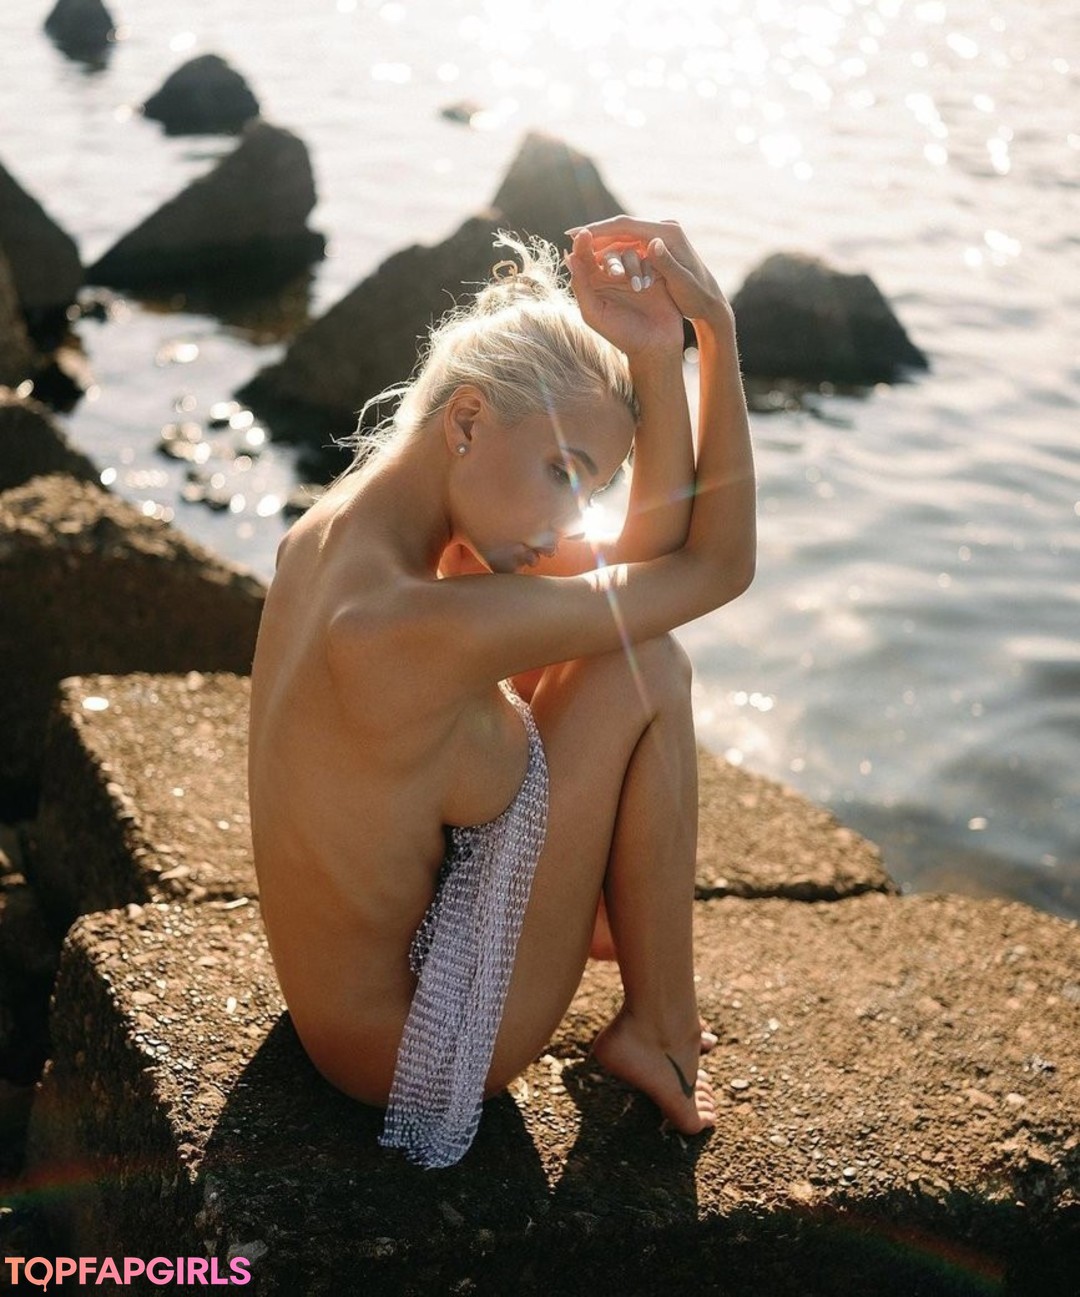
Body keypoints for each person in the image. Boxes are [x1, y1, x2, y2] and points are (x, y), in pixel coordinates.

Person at [247, 216, 756, 1168]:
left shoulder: (338, 536)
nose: (568, 521)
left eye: (587, 491)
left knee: (622, 638)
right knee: (648, 663)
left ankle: (648, 1003)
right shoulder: (409, 626)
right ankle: (660, 1026)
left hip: (336, 1014)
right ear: (469, 421)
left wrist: (656, 362)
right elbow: (716, 567)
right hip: (413, 1049)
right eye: (564, 474)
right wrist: (714, 332)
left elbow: (644, 566)